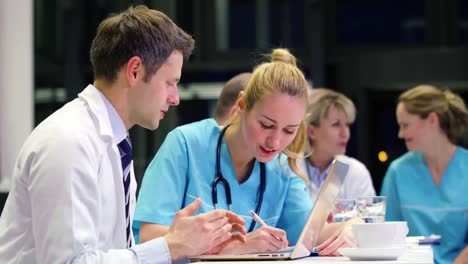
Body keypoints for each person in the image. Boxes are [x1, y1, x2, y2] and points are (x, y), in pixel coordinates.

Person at [0, 5, 246, 264]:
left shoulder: (112, 142)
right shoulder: (69, 141)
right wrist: (170, 246)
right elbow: (71, 262)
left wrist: (186, 245)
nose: (175, 98)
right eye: (170, 83)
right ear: (135, 71)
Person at [134, 48, 359, 256]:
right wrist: (236, 246)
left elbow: (312, 234)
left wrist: (352, 227)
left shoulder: (281, 167)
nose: (276, 141)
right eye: (266, 125)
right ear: (241, 105)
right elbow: (147, 236)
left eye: (289, 130)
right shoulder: (186, 144)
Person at [380, 85, 468, 264]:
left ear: (432, 120)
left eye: (406, 125)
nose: (400, 134)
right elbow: (386, 237)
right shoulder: (397, 171)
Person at [298, 88, 375, 203]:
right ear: (311, 131)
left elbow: (369, 219)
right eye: (336, 125)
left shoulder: (356, 171)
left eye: (347, 125)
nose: (345, 134)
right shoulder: (289, 169)